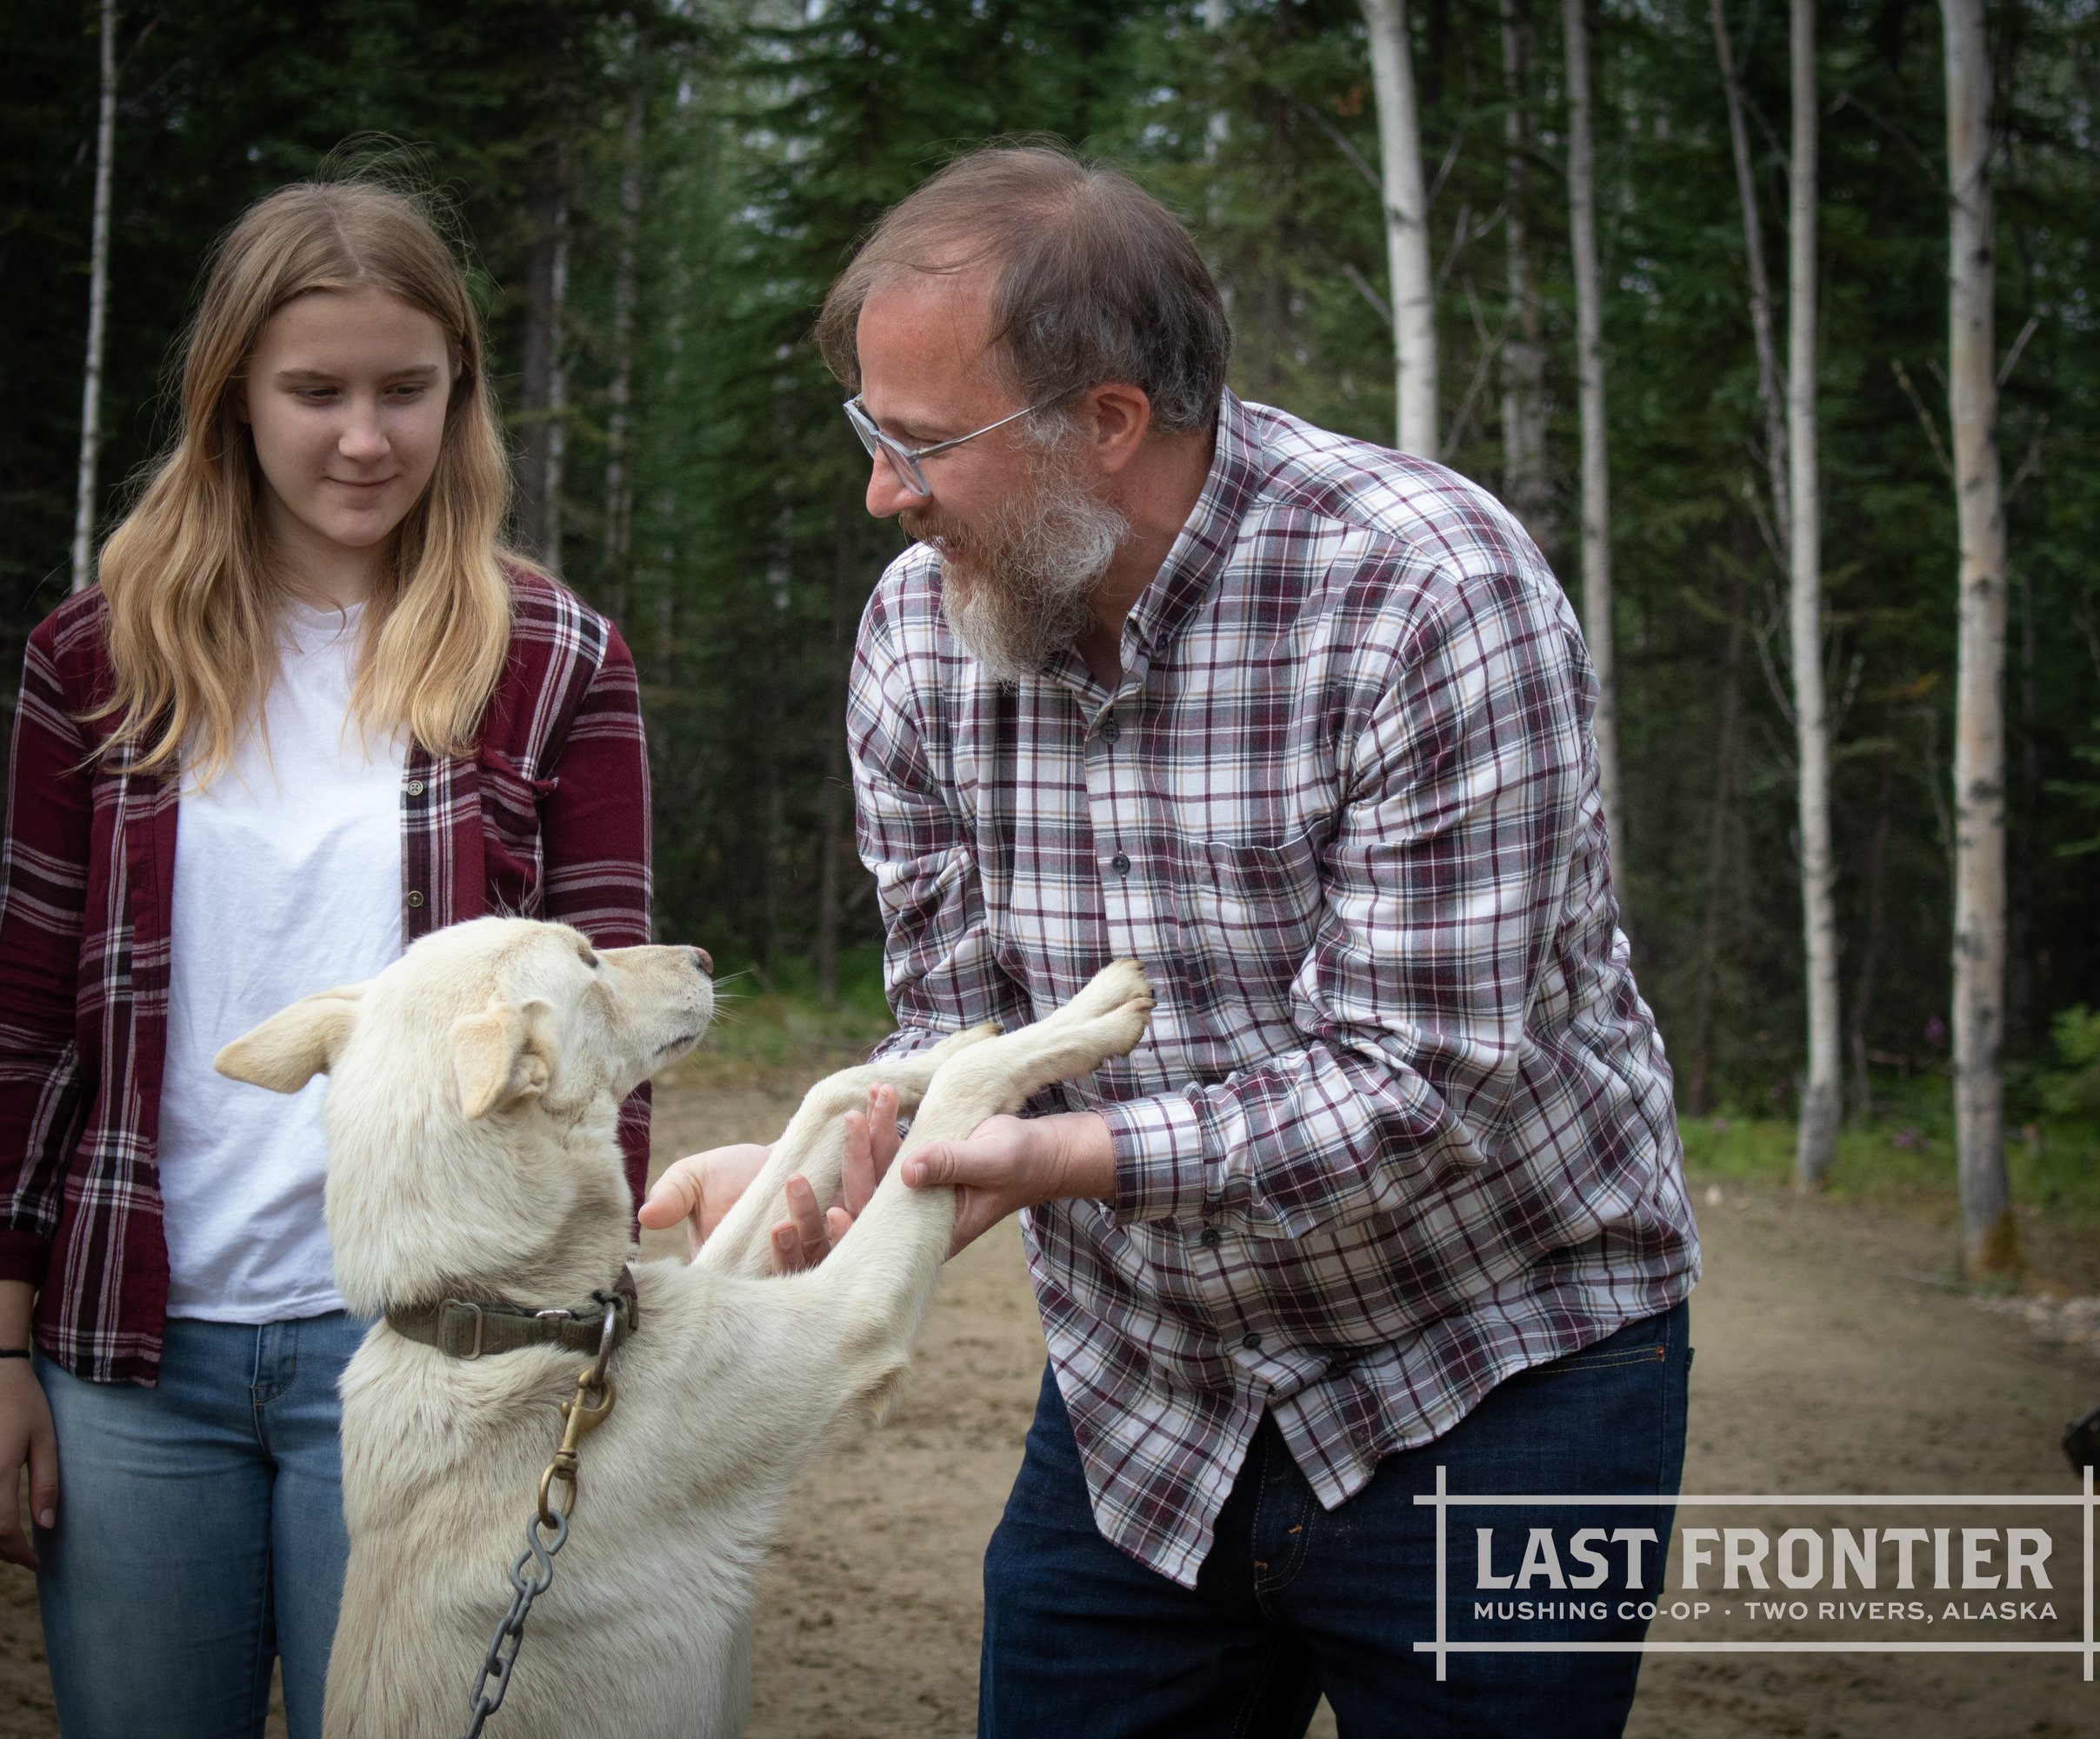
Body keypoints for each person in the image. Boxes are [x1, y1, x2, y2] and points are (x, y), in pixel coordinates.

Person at [642, 144, 1698, 1737]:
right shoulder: (920, 636)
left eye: (920, 442)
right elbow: (963, 1047)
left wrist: (1057, 1163)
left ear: (1110, 423)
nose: (881, 491)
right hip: (1149, 1401)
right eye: (871, 434)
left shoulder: (1425, 595)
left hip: (1501, 1362)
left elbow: (1421, 1089)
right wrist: (836, 1178)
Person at [0, 180, 652, 1739]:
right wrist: (0, 1338)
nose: (365, 438)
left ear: (461, 396)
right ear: (231, 397)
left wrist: (588, 1336)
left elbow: (602, 1040)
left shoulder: (555, 660)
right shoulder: (94, 660)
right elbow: (24, 1028)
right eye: (316, 393)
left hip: (446, 1357)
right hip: (130, 1363)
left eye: (405, 391)